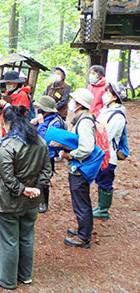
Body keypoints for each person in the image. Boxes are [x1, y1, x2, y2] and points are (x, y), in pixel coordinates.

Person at [0, 105, 52, 290]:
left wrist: (23, 189)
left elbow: (7, 177)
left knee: (8, 239)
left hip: (8, 201)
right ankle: (25, 275)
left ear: (7, 124)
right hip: (31, 200)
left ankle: (7, 279)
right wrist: (37, 189)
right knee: (26, 236)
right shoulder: (40, 141)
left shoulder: (7, 145)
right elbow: (47, 169)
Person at [60, 88, 95, 248]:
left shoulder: (85, 122)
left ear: (79, 105)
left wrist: (70, 155)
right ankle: (84, 229)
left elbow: (87, 147)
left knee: (81, 202)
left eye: (73, 100)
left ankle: (83, 237)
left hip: (80, 168)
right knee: (81, 200)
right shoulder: (82, 119)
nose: (70, 103)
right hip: (78, 167)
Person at [94, 83, 127, 220]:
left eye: (108, 92)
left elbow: (106, 136)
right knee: (101, 179)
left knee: (105, 181)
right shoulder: (105, 110)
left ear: (115, 97)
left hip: (109, 154)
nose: (105, 94)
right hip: (101, 153)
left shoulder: (117, 116)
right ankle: (100, 206)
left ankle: (103, 209)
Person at [31, 96, 64, 213]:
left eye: (40, 108)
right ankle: (35, 199)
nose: (38, 110)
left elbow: (46, 139)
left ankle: (45, 202)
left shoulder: (55, 122)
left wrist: (41, 124)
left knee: (44, 179)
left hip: (48, 155)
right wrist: (34, 124)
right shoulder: (41, 118)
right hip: (36, 153)